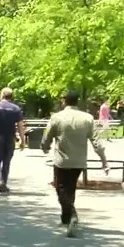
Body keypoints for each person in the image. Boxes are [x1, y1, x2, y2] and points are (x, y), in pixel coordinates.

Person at [42, 91, 109, 237]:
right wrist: (104, 161)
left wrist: (44, 146)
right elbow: (96, 141)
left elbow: (47, 135)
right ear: (77, 101)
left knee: (61, 189)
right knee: (70, 188)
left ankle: (72, 215)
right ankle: (65, 218)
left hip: (62, 161)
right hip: (79, 161)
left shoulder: (56, 117)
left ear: (64, 101)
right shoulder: (88, 118)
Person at [0, 87, 26, 195]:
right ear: (12, 96)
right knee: (7, 161)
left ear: (2, 95)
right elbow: (20, 125)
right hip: (10, 138)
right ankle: (4, 183)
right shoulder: (16, 109)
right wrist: (22, 139)